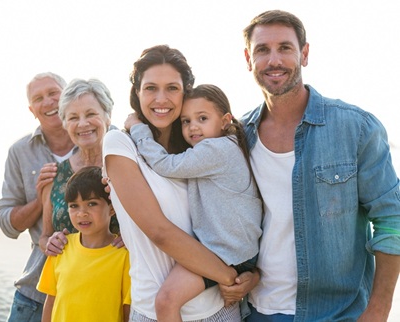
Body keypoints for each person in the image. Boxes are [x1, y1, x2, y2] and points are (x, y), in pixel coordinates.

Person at [240, 10, 400, 321]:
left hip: (336, 313)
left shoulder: (356, 128)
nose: (274, 60)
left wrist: (379, 310)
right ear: (248, 58)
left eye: (285, 48)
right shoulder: (237, 136)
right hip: (255, 311)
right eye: (262, 50)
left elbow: (392, 219)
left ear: (304, 53)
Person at [103, 44, 258, 322]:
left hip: (221, 308)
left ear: (185, 91)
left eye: (172, 88)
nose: (161, 98)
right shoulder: (121, 143)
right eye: (150, 88)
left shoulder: (197, 147)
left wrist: (252, 275)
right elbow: (159, 231)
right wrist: (229, 276)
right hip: (157, 310)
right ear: (137, 93)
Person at [0, 72, 75, 322]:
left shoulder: (99, 137)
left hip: (93, 285)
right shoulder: (20, 152)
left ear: (67, 95)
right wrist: (41, 200)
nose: (48, 102)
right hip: (36, 290)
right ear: (32, 109)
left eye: (53, 93)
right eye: (39, 98)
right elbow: (8, 225)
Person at [36, 166, 131, 322]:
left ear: (112, 208)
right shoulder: (61, 247)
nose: (82, 213)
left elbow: (127, 312)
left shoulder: (124, 255)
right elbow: (51, 302)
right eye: (74, 206)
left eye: (92, 204)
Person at [37, 78, 119, 257]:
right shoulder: (54, 175)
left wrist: (131, 239)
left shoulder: (125, 167)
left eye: (90, 114)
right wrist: (50, 243)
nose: (82, 124)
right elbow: (44, 236)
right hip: (72, 280)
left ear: (107, 117)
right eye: (73, 117)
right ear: (65, 124)